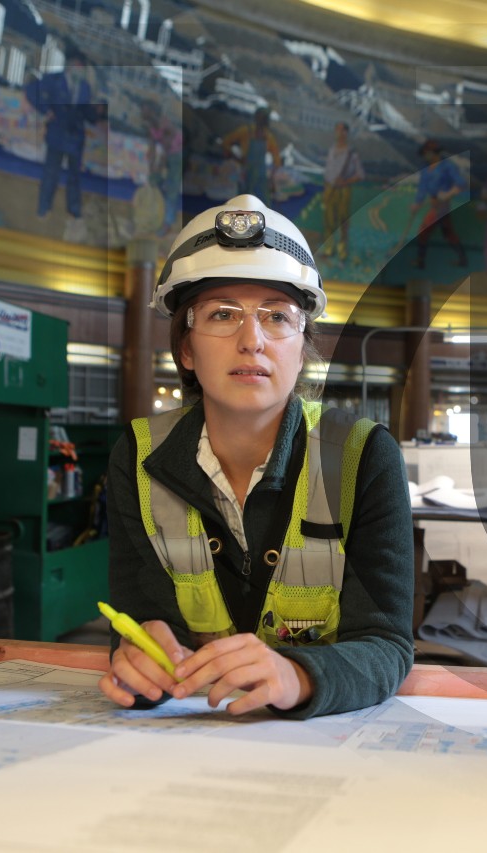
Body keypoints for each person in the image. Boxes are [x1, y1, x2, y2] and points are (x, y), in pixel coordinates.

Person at [98, 194, 415, 719]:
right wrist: (140, 659)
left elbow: (386, 644)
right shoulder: (137, 455)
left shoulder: (364, 456)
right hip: (187, 742)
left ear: (301, 345)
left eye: (277, 318)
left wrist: (297, 675)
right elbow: (144, 619)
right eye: (223, 315)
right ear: (186, 349)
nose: (253, 341)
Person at [25, 47, 105, 220]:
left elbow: (85, 112)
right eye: (78, 66)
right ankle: (44, 208)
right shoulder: (54, 80)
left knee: (74, 177)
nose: (80, 70)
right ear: (70, 66)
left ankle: (74, 211)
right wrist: (46, 110)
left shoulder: (85, 87)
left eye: (83, 68)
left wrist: (97, 114)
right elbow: (31, 90)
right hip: (57, 135)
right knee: (51, 173)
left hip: (76, 138)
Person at [409, 139, 468, 269]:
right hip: (433, 203)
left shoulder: (447, 166)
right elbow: (422, 189)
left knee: (423, 231)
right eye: (424, 153)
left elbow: (461, 184)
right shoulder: (426, 170)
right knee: (448, 233)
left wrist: (447, 194)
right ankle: (463, 259)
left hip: (442, 205)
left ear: (433, 152)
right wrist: (417, 203)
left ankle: (420, 261)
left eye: (426, 152)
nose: (425, 155)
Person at [320, 121, 365, 261]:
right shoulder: (332, 149)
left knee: (343, 220)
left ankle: (342, 251)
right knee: (328, 220)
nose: (339, 133)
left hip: (343, 190)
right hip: (329, 189)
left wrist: (345, 182)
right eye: (337, 130)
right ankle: (328, 249)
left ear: (346, 133)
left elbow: (360, 175)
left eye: (341, 130)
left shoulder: (351, 153)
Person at [140, 99, 185, 229]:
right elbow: (152, 149)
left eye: (146, 111)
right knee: (155, 182)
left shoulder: (164, 124)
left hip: (177, 156)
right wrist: (152, 169)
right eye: (143, 112)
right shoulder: (151, 126)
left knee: (171, 188)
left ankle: (168, 222)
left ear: (153, 112)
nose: (144, 114)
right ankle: (157, 214)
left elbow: (167, 147)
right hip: (168, 155)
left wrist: (159, 166)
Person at [223, 106, 281, 201]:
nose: (264, 121)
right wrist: (236, 158)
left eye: (266, 118)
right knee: (242, 202)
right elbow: (226, 142)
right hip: (246, 174)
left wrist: (271, 178)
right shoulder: (246, 131)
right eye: (263, 118)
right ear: (257, 118)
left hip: (261, 177)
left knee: (263, 203)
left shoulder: (268, 137)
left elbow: (277, 160)